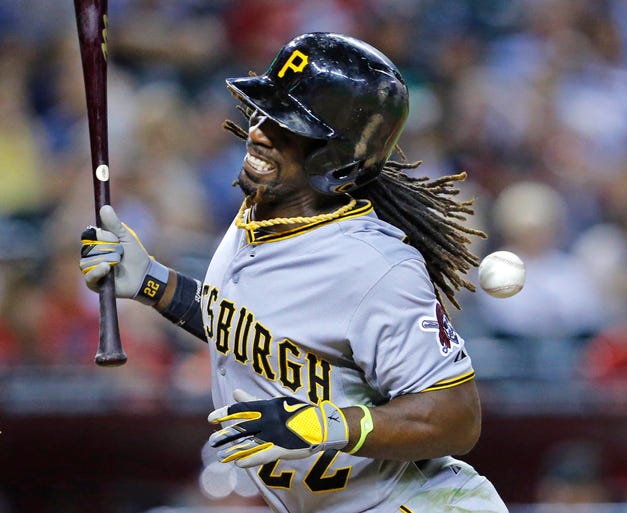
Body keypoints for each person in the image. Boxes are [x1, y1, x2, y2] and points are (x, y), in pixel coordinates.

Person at [80, 32, 508, 513]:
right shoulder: (262, 211)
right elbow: (249, 327)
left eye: (288, 126)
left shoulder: (376, 267)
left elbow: (456, 418)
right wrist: (152, 283)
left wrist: (328, 425)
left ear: (335, 156)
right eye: (264, 111)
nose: (260, 131)